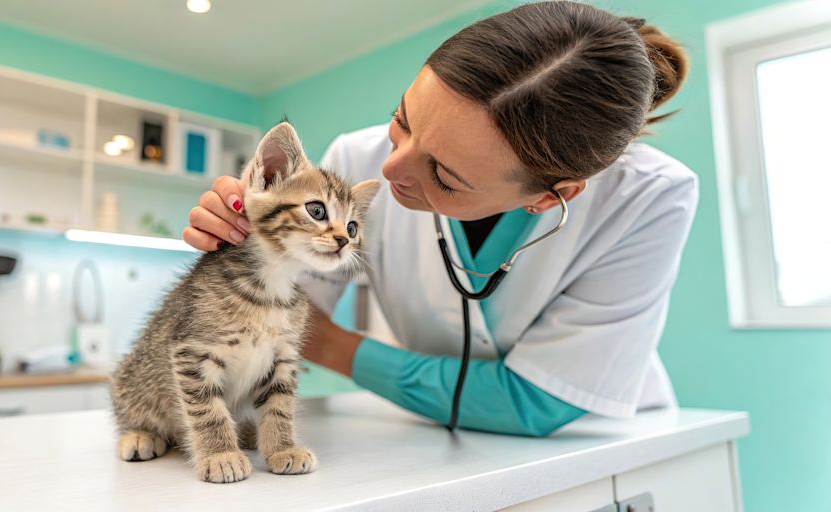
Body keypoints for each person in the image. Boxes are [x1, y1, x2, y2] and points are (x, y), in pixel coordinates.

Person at [182, 1, 697, 436]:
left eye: (446, 176)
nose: (389, 168)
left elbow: (539, 401)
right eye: (402, 120)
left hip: (594, 439)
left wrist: (329, 343)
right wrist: (244, 250)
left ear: (548, 197)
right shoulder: (354, 160)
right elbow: (272, 316)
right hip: (421, 434)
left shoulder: (652, 197)